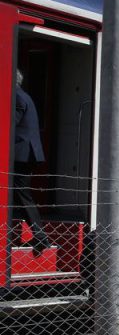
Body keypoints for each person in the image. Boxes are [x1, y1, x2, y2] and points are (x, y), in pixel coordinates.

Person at [12, 69, 49, 253]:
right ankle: (38, 234)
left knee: (21, 194)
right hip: (25, 154)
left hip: (21, 155)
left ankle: (40, 235)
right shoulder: (23, 96)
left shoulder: (17, 98)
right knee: (18, 194)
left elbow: (10, 124)